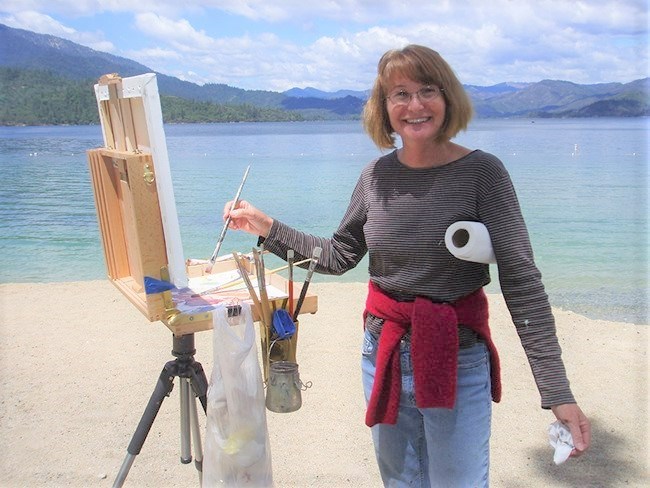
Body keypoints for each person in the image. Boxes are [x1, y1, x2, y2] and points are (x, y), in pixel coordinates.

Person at [223, 44, 591, 487]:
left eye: (427, 90)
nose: (414, 105)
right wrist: (267, 227)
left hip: (457, 355)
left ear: (448, 97)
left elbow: (522, 282)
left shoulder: (483, 174)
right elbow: (340, 255)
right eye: (400, 94)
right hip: (382, 352)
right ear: (384, 107)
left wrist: (557, 393)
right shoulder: (374, 177)